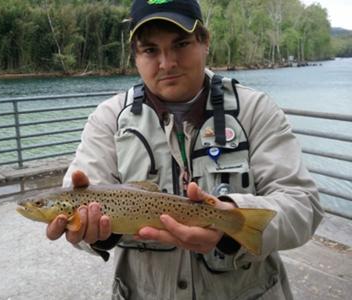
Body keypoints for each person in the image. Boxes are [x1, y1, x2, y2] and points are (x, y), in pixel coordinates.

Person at [46, 0, 324, 299]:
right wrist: (93, 235)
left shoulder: (255, 110)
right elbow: (74, 206)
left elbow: (304, 205)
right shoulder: (108, 119)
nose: (167, 63)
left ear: (205, 41)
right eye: (150, 50)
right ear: (135, 56)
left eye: (180, 44)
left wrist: (231, 222)